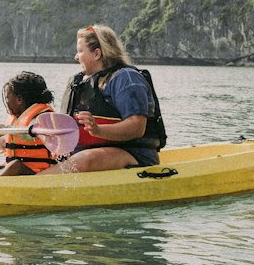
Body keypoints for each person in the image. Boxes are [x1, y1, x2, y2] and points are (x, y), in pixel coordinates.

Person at [41, 24, 163, 174]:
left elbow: (136, 127)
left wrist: (98, 130)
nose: (76, 57)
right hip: (88, 153)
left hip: (135, 155)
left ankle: (32, 190)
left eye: (80, 51)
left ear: (97, 53)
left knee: (85, 159)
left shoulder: (127, 78)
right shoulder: (79, 84)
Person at [0, 72, 56, 177]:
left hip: (34, 173)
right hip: (12, 171)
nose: (7, 103)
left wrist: (8, 128)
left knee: (16, 165)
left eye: (8, 98)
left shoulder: (42, 118)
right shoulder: (18, 120)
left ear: (19, 100)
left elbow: (29, 135)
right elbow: (5, 144)